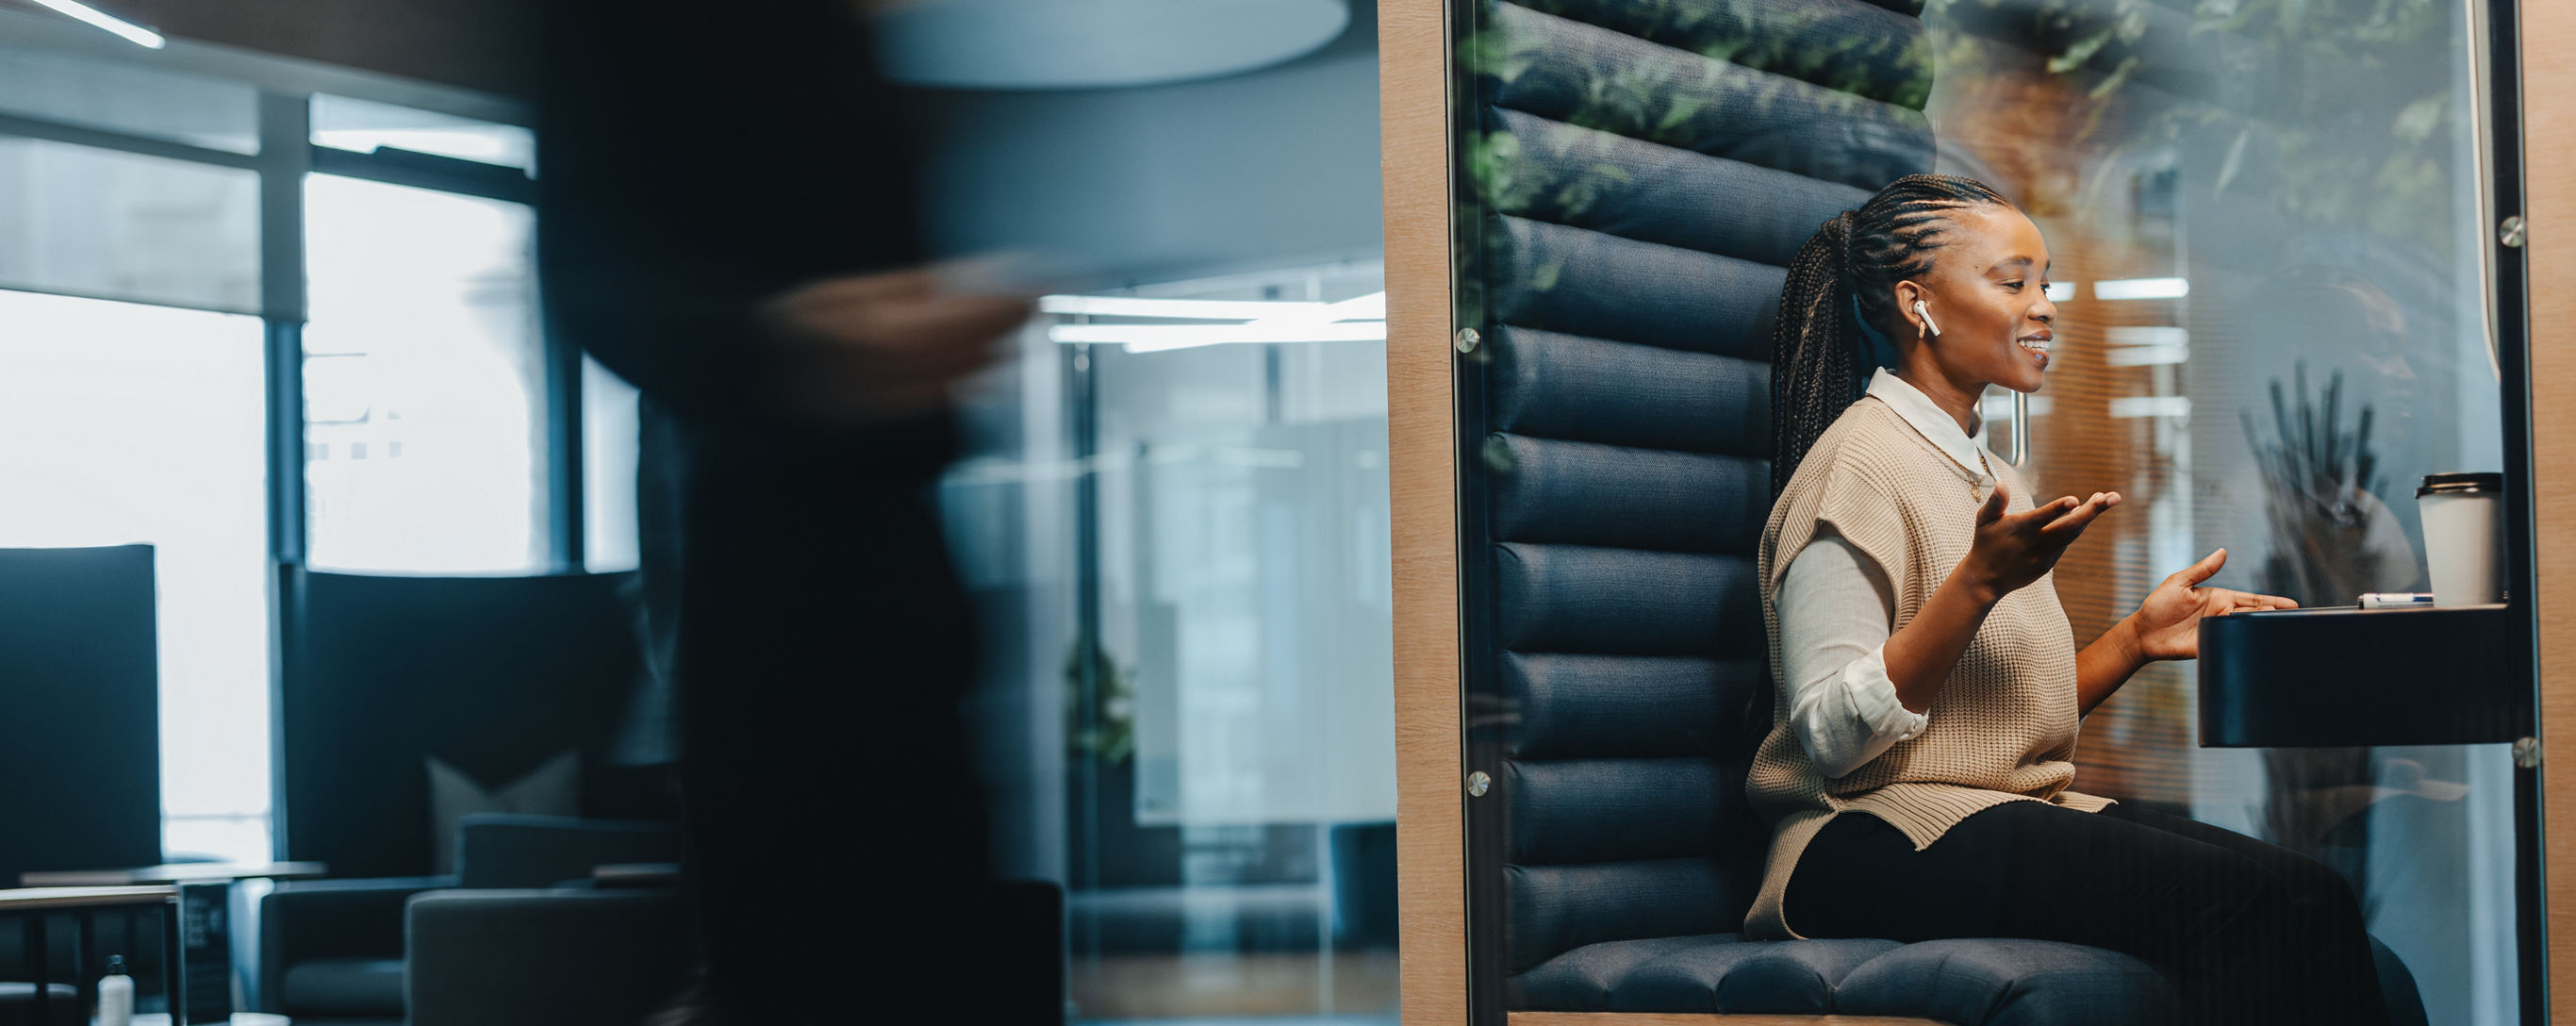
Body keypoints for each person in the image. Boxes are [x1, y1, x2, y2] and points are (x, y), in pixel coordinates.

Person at [1747, 174, 2389, 1025]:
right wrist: (1976, 585)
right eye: (2013, 282)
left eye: (2045, 282)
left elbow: (1993, 720)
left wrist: (2134, 639)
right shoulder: (1855, 466)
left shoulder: (1991, 477)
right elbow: (1829, 738)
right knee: (2262, 911)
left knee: (2316, 897)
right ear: (1918, 303)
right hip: (1856, 844)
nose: (2044, 306)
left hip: (1983, 812)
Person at [535, 3, 1045, 1022]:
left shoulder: (848, 42)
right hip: (768, 594)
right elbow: (592, 277)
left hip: (900, 583)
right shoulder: (632, 37)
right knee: (799, 967)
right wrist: (790, 344)